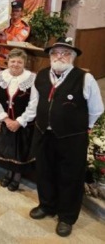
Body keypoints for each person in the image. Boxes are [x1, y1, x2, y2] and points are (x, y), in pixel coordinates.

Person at [29, 37, 104, 237]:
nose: (59, 56)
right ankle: (47, 205)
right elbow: (36, 103)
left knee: (70, 178)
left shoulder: (84, 78)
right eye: (55, 53)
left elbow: (97, 110)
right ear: (50, 56)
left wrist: (81, 127)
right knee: (45, 172)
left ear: (72, 57)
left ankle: (66, 217)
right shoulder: (43, 75)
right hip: (45, 133)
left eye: (64, 53)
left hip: (72, 138)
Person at [0, 48, 37, 191]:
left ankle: (16, 177)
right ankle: (9, 173)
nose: (15, 64)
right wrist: (4, 118)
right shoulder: (0, 75)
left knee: (20, 150)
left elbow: (34, 102)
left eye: (19, 62)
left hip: (22, 124)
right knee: (7, 149)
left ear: (24, 63)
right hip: (5, 121)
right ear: (8, 61)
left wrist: (19, 121)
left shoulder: (32, 78)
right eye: (13, 61)